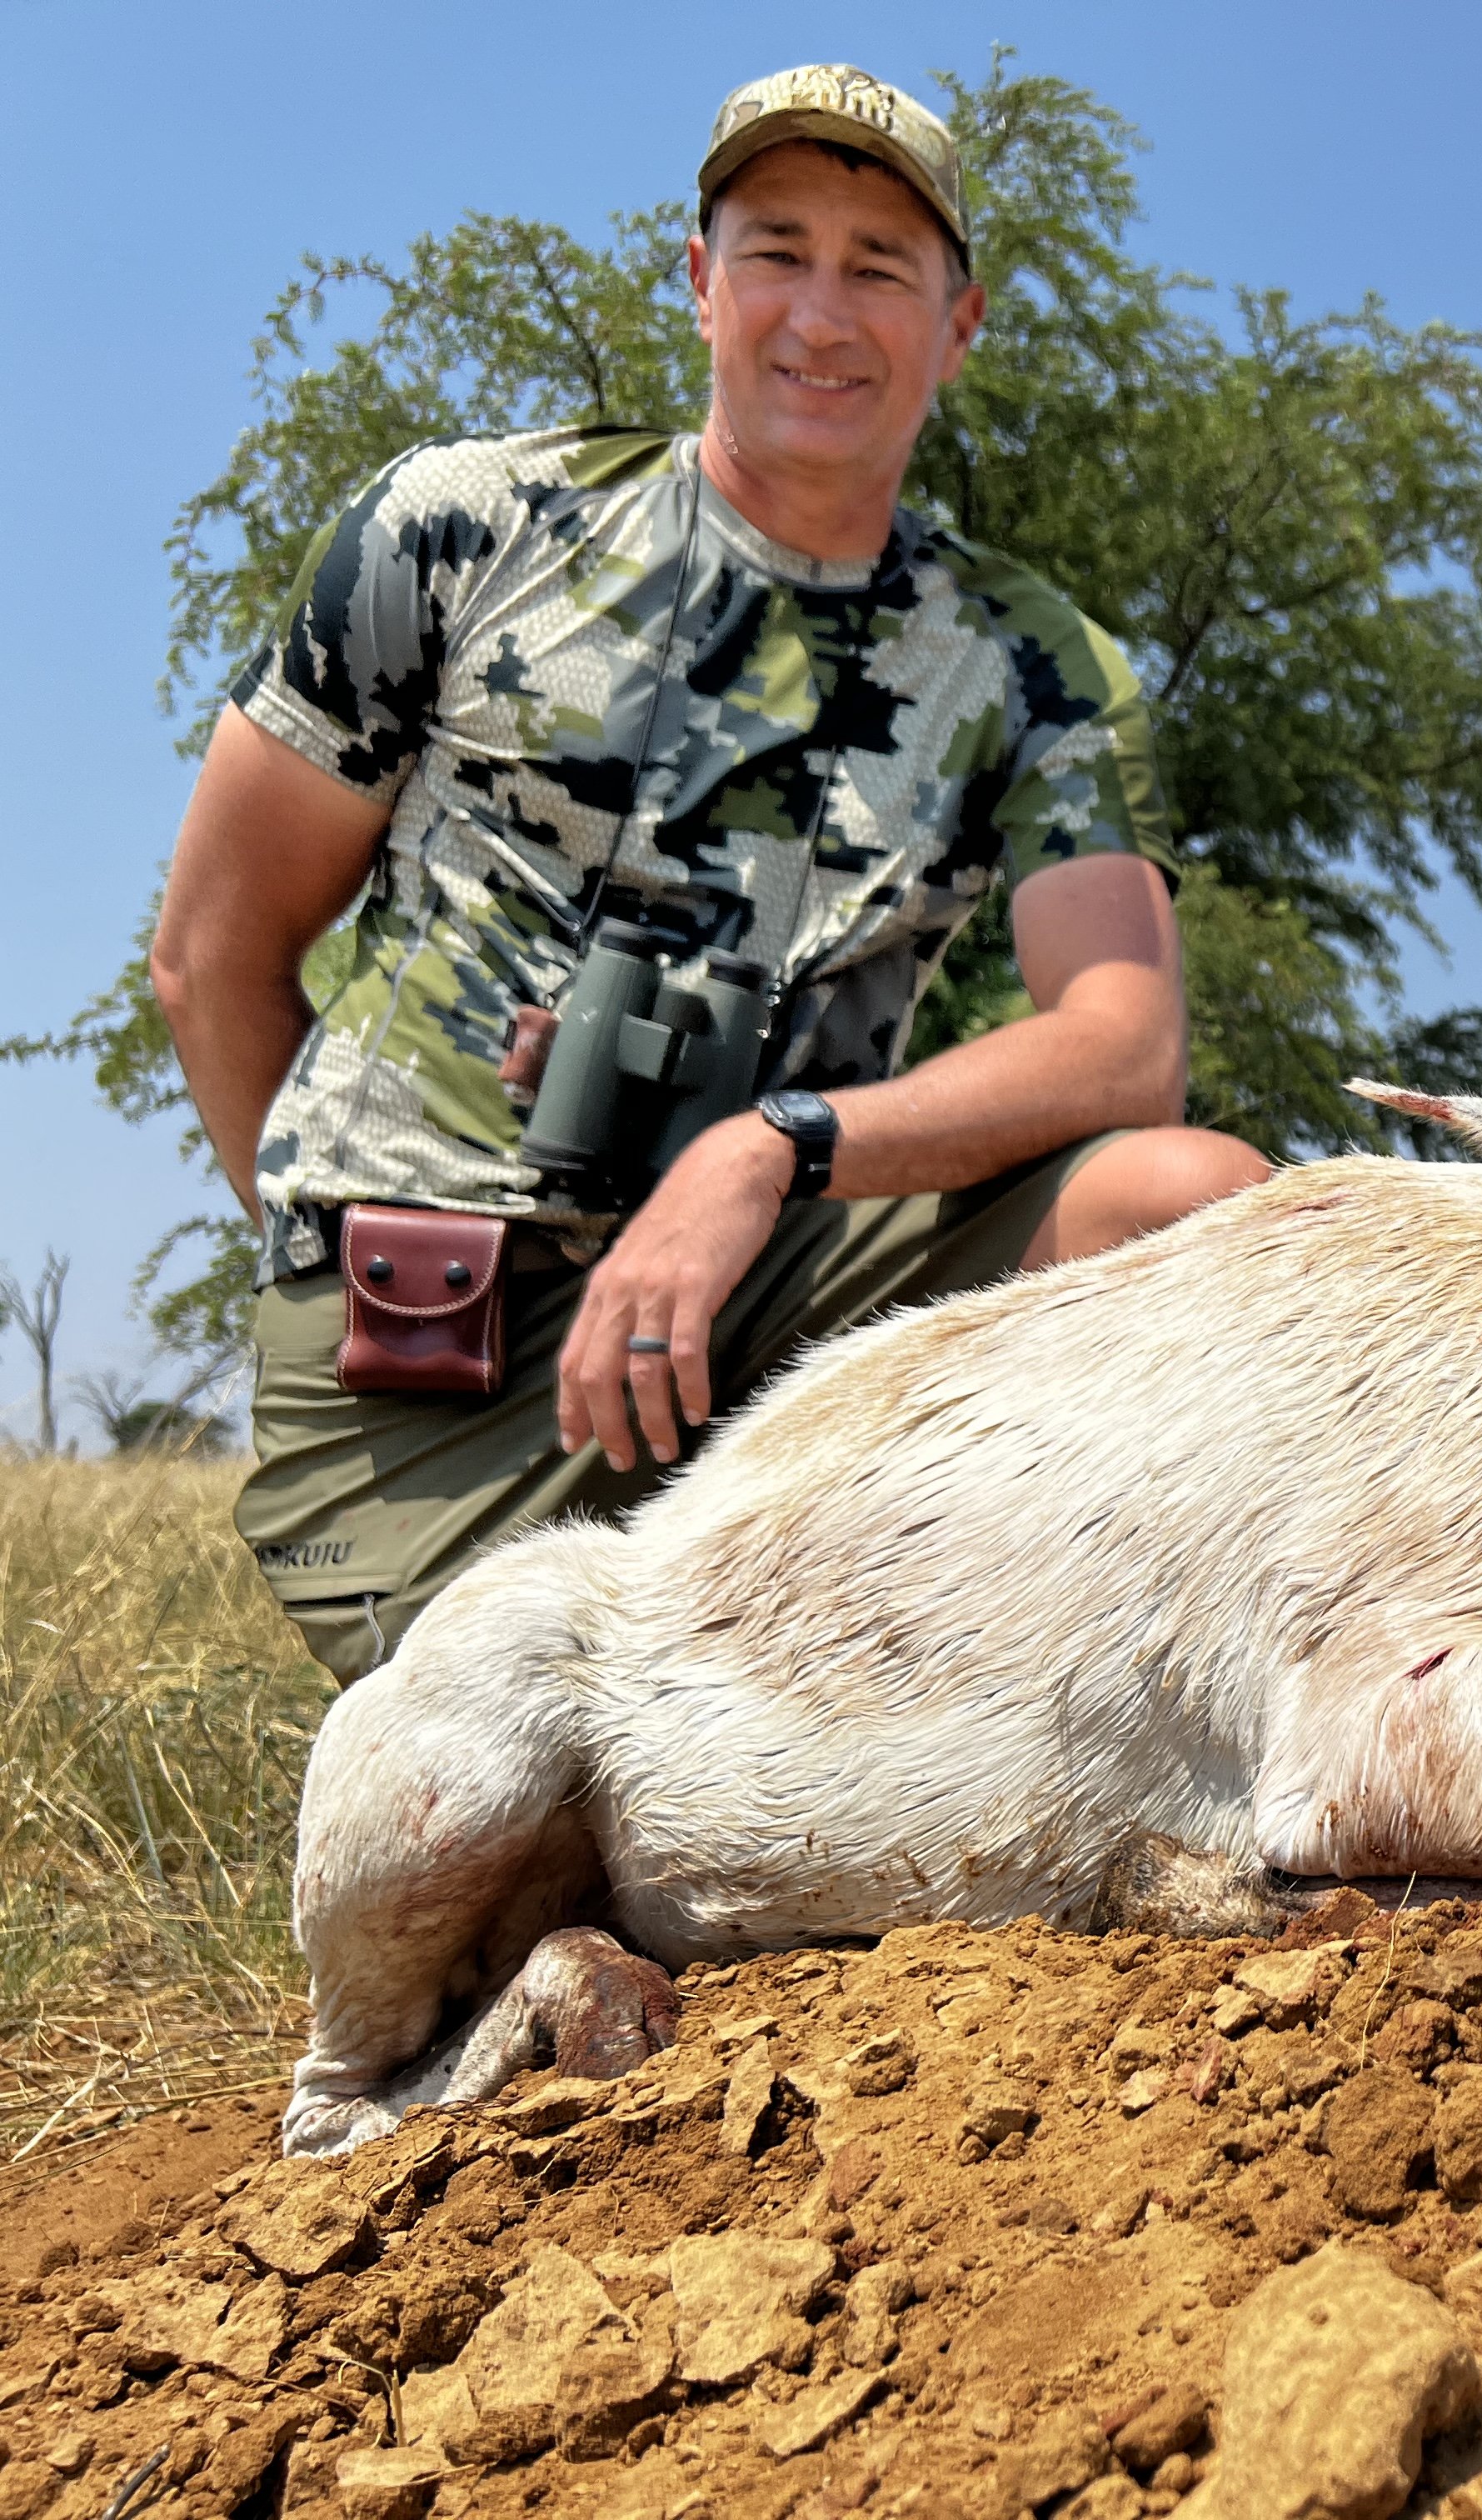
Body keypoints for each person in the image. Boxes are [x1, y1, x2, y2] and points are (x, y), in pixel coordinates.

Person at [151, 64, 1270, 1682]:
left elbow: (1123, 1045)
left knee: (1195, 1206)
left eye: (882, 266)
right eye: (777, 249)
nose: (824, 312)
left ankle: (1135, 1721)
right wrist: (346, 1250)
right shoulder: (460, 529)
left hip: (769, 1312)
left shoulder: (1038, 664)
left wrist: (763, 1151)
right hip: (440, 1353)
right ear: (698, 281)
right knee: (513, 1772)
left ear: (957, 328)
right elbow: (210, 955)